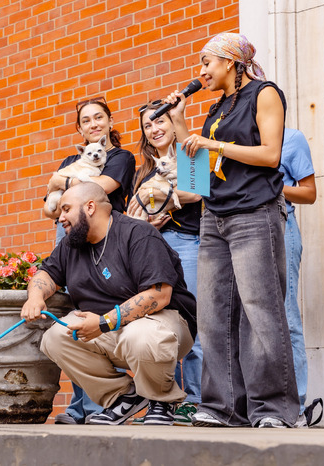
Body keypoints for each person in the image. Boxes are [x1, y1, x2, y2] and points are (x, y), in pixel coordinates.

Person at [164, 32, 300, 428]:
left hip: (254, 214)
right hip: (214, 218)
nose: (201, 71)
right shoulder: (214, 111)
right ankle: (223, 408)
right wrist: (180, 124)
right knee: (213, 316)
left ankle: (274, 410)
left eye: (207, 62)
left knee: (261, 312)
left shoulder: (264, 93)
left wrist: (214, 145)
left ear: (230, 62)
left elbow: (270, 155)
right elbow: (196, 183)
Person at [23, 182, 196, 426]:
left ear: (90, 207)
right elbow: (46, 274)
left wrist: (105, 322)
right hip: (108, 329)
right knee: (56, 338)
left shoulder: (137, 233)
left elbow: (158, 295)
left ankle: (162, 400)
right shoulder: (71, 244)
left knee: (140, 334)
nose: (60, 217)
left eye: (66, 209)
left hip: (162, 323)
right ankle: (123, 396)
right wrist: (36, 297)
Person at [44, 97, 136, 424]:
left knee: (97, 316)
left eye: (99, 117)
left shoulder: (121, 157)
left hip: (107, 243)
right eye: (86, 120)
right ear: (79, 129)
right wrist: (67, 191)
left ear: (110, 122)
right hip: (69, 240)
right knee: (74, 316)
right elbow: (53, 207)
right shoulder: (74, 157)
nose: (94, 123)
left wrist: (63, 182)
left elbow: (102, 188)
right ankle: (80, 408)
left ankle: (102, 406)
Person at [127, 100, 203, 426]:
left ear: (173, 123)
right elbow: (133, 210)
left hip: (188, 244)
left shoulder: (190, 149)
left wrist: (160, 203)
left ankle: (199, 402)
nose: (155, 129)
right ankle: (165, 401)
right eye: (148, 125)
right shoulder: (142, 170)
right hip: (154, 252)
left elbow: (196, 190)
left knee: (193, 322)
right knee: (161, 327)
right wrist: (146, 221)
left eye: (160, 122)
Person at [279, 128, 316, 425]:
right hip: (231, 233)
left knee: (286, 316)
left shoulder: (290, 138)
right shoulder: (221, 134)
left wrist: (268, 187)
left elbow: (309, 192)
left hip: (280, 226)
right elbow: (200, 184)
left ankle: (295, 405)